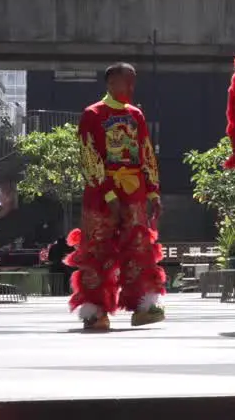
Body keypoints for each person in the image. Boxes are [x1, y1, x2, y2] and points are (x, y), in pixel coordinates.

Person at [65, 62, 167, 331]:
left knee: (139, 248)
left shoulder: (136, 115)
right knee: (98, 248)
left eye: (133, 82)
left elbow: (146, 154)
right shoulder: (92, 114)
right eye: (126, 82)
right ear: (111, 83)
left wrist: (154, 191)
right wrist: (109, 195)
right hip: (101, 193)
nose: (131, 88)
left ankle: (143, 306)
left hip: (134, 192)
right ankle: (95, 310)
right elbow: (90, 157)